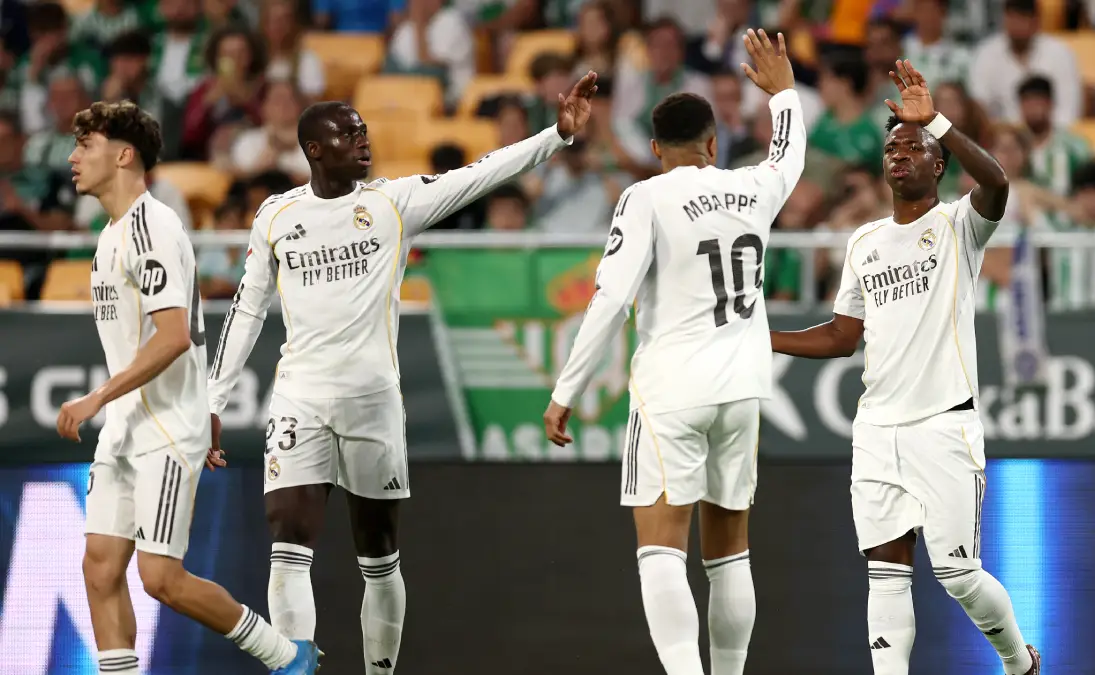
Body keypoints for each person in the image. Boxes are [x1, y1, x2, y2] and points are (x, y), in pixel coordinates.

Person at [206, 72, 599, 675]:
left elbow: (480, 174)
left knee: (378, 555)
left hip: (373, 401)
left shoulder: (393, 203)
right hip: (299, 398)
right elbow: (246, 308)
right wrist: (214, 399)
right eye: (349, 134)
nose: (363, 141)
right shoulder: (277, 215)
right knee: (287, 543)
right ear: (314, 149)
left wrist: (556, 136)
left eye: (364, 131)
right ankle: (294, 667)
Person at [544, 30, 805, 675]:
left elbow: (610, 298)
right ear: (713, 145)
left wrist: (566, 390)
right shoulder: (755, 188)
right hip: (742, 389)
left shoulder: (647, 196)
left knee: (661, 550)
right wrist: (784, 94)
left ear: (656, 149)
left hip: (672, 391)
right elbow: (789, 155)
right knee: (730, 550)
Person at [769, 60, 1041, 675]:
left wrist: (937, 121)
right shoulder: (863, 242)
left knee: (957, 574)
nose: (900, 154)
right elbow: (841, 336)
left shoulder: (958, 225)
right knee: (886, 575)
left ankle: (1018, 661)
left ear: (938, 165)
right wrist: (764, 339)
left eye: (914, 147)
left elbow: (997, 182)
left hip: (943, 423)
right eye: (892, 147)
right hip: (876, 429)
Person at [55, 100, 320, 675]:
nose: (73, 158)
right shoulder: (110, 235)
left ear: (123, 155)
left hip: (166, 429)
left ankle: (286, 655)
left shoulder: (151, 226)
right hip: (127, 426)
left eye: (86, 145)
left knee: (160, 578)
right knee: (99, 568)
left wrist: (98, 396)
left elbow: (174, 335)